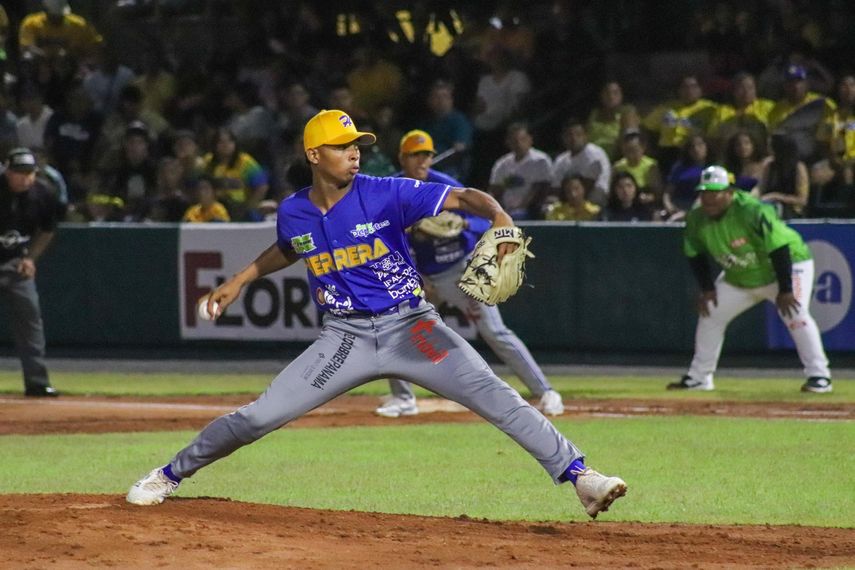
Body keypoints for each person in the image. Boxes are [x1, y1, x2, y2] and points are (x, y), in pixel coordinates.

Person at [126, 109, 626, 519]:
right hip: (344, 342)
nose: (355, 151)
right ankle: (169, 474)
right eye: (345, 145)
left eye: (357, 143)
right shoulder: (295, 210)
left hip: (415, 331)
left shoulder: (387, 191)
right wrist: (239, 280)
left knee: (497, 396)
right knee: (259, 416)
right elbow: (290, 247)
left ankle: (581, 477)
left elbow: (461, 196)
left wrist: (498, 215)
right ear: (315, 155)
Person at [376, 130, 564, 418]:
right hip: (424, 277)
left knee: (495, 331)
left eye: (427, 154)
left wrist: (463, 226)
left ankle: (546, 391)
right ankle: (403, 399)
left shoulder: (444, 184)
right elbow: (388, 243)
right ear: (402, 158)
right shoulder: (394, 191)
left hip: (462, 270)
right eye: (416, 155)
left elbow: (482, 220)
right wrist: (416, 276)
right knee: (395, 327)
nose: (423, 160)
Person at [669, 165, 832, 394]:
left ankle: (819, 376)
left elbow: (779, 248)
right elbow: (694, 253)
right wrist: (707, 288)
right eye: (704, 191)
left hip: (786, 267)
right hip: (741, 276)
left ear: (729, 192)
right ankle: (699, 377)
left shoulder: (752, 210)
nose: (708, 198)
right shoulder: (696, 218)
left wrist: (785, 290)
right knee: (711, 313)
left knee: (795, 313)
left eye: (715, 191)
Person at [0, 148, 60, 397]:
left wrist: (30, 258)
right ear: (7, 171)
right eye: (18, 173)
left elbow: (47, 230)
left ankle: (37, 382)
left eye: (28, 173)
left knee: (30, 318)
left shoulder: (43, 193)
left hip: (15, 262)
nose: (24, 178)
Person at [488, 122, 553, 220]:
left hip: (530, 210)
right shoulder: (502, 164)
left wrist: (519, 208)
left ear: (530, 140)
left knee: (516, 216)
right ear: (508, 142)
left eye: (522, 139)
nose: (518, 144)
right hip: (505, 209)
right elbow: (494, 190)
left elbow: (539, 191)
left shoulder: (540, 161)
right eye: (514, 141)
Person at [551, 119, 611, 207]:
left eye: (578, 135)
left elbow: (593, 186)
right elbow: (555, 187)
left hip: (594, 197)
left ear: (586, 136)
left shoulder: (595, 154)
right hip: (568, 199)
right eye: (569, 135)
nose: (574, 139)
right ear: (563, 138)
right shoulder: (561, 160)